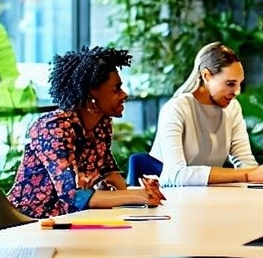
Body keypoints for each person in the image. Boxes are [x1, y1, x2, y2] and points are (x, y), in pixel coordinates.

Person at [9, 46, 163, 219]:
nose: (124, 95)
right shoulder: (53, 128)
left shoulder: (102, 124)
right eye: (116, 90)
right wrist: (139, 196)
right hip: (30, 223)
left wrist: (145, 192)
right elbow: (73, 196)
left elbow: (110, 174)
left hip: (73, 220)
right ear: (91, 95)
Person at [151, 41, 263, 186]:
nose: (237, 92)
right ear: (206, 76)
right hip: (174, 199)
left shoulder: (233, 108)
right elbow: (178, 175)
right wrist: (248, 175)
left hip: (213, 197)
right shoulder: (175, 109)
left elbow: (245, 163)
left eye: (239, 84)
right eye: (230, 84)